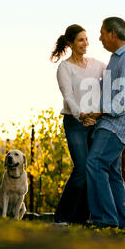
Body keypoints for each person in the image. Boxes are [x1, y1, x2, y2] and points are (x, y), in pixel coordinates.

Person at [81, 17, 125, 229]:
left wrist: (98, 113)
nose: (99, 38)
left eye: (102, 33)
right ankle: (124, 225)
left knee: (94, 163)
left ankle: (105, 220)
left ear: (113, 34)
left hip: (116, 125)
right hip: (108, 122)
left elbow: (123, 101)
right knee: (112, 173)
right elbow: (107, 89)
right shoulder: (116, 59)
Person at [50, 24, 106, 225]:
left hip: (96, 122)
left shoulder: (96, 64)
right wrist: (81, 115)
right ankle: (62, 217)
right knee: (81, 167)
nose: (86, 43)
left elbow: (113, 72)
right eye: (81, 40)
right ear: (71, 43)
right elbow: (69, 96)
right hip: (75, 122)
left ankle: (81, 218)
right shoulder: (64, 68)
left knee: (91, 169)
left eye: (87, 39)